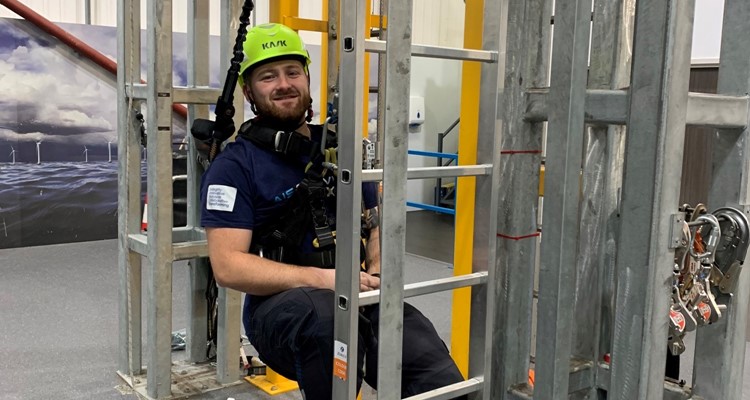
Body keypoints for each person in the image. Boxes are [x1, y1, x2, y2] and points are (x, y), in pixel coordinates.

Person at [200, 23, 466, 399]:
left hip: (355, 293)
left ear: (306, 77)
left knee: (426, 357)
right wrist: (326, 279)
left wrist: (375, 274)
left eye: (293, 72)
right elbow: (227, 266)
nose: (284, 84)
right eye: (268, 76)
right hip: (281, 309)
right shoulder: (233, 167)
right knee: (328, 324)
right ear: (248, 91)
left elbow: (372, 223)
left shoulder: (338, 149)